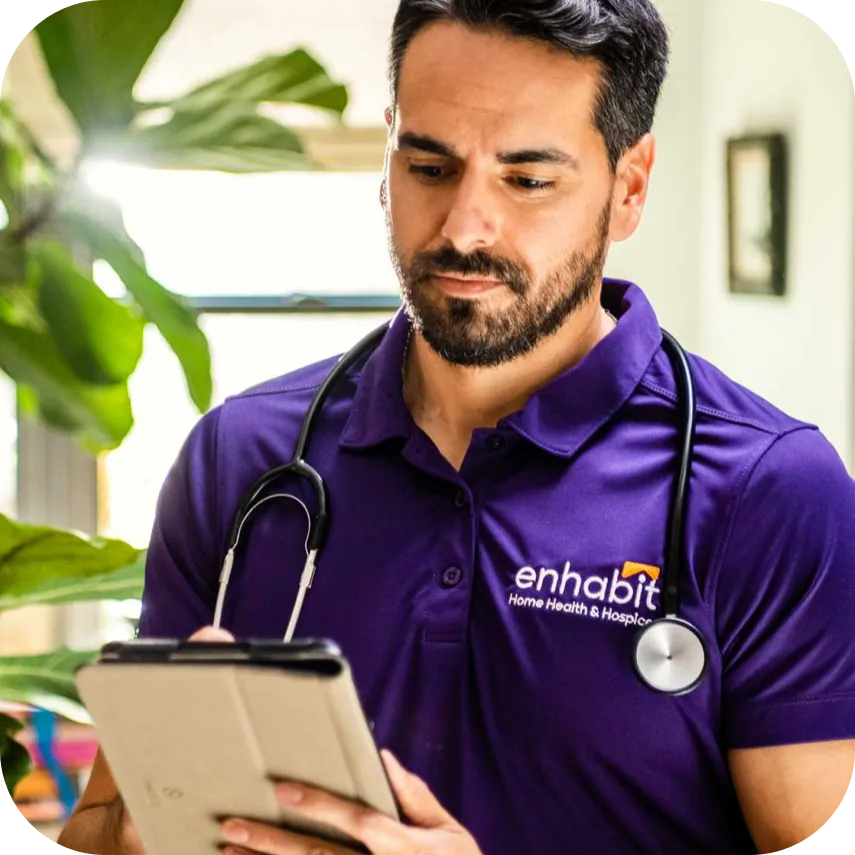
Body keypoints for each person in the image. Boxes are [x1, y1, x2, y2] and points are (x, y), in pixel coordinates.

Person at [57, 2, 855, 854]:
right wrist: (144, 834)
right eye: (430, 166)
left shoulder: (771, 491)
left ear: (628, 188)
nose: (463, 228)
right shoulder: (240, 460)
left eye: (527, 178)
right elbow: (99, 827)